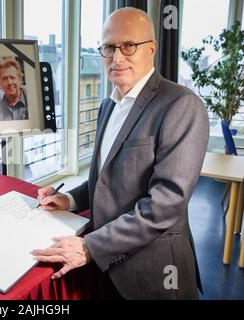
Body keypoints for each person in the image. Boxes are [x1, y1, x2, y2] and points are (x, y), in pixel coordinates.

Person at [33, 7, 209, 300]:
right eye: (109, 47)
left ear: (151, 49)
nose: (117, 57)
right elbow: (107, 179)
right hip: (106, 270)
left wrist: (91, 246)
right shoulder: (108, 105)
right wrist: (71, 198)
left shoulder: (182, 105)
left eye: (128, 46)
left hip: (154, 274)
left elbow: (165, 204)